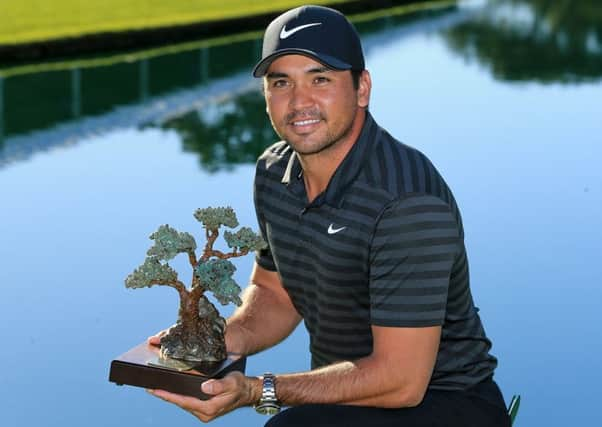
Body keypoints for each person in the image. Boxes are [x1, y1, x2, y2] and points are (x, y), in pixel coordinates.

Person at [148, 5, 511, 426]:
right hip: (345, 399)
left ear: (362, 88)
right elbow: (276, 293)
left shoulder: (407, 201)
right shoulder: (273, 172)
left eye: (320, 79)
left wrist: (258, 390)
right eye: (280, 82)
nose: (299, 102)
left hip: (447, 402)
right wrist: (220, 340)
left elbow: (402, 381)